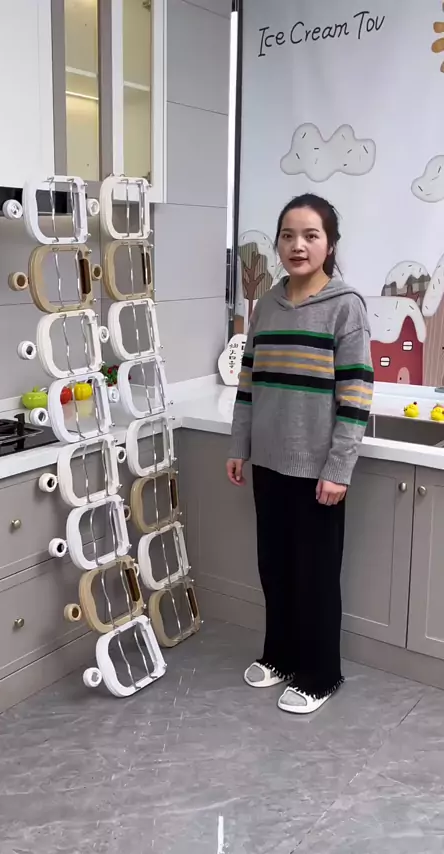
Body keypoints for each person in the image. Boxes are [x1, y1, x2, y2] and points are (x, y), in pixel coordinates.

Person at [227, 194, 373, 715]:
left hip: (317, 472)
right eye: (288, 235)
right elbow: (249, 382)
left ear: (330, 244)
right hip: (268, 463)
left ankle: (320, 674)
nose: (298, 245)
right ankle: (281, 656)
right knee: (276, 568)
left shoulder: (346, 306)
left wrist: (338, 469)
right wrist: (239, 445)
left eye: (311, 235)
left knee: (315, 576)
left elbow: (356, 396)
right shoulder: (267, 305)